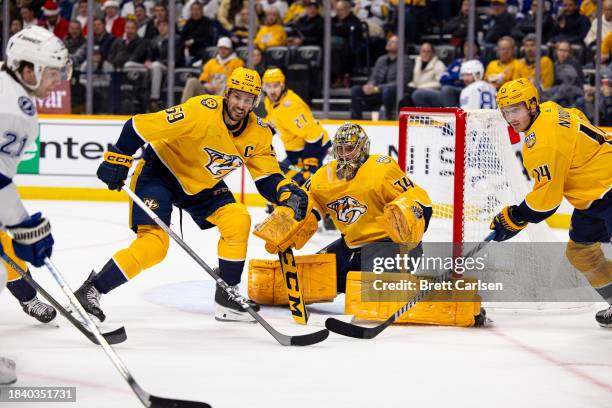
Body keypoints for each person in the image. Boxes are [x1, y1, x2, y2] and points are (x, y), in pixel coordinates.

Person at [73, 67, 310, 323]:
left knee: (237, 219)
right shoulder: (200, 110)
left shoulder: (259, 134)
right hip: (160, 172)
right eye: (237, 97)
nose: (241, 105)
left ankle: (228, 295)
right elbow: (138, 125)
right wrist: (118, 155)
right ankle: (92, 290)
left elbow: (267, 177)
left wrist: (285, 191)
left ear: (255, 102)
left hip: (202, 186)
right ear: (227, 93)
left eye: (248, 99)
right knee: (155, 245)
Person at [250, 123, 485, 326]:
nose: (343, 155)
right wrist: (284, 223)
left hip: (392, 246)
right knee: (306, 279)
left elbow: (420, 198)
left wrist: (407, 211)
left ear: (362, 148)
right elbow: (305, 204)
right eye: (339, 149)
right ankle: (263, 288)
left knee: (370, 295)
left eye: (349, 149)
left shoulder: (381, 169)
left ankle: (461, 305)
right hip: (350, 246)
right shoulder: (324, 176)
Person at [492, 78, 612, 327]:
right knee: (580, 252)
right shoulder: (550, 109)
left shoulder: (541, 141)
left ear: (532, 105)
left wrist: (516, 216)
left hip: (608, 187)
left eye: (516, 109)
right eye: (506, 111)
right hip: (592, 197)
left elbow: (547, 202)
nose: (511, 117)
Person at [0, 25, 71, 383]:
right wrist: (24, 226)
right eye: (52, 72)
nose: (57, 81)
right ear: (27, 69)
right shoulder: (15, 108)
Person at [263, 68, 330, 186]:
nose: (272, 91)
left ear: (282, 85)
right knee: (276, 183)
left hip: (314, 148)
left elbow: (314, 134)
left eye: (275, 86)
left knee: (305, 185)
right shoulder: (269, 101)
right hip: (295, 153)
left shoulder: (292, 106)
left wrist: (310, 162)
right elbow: (274, 122)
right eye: (269, 86)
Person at [350, 35, 410, 120]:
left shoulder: (405, 60)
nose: (389, 43)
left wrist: (377, 88)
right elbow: (374, 77)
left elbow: (401, 82)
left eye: (393, 42)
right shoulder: (381, 59)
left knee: (387, 91)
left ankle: (387, 117)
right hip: (377, 92)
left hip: (393, 93)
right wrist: (369, 85)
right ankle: (356, 120)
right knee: (356, 90)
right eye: (389, 40)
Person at [181, 36, 244, 102]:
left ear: (230, 49)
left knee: (225, 87)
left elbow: (236, 83)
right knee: (192, 81)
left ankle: (218, 110)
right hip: (208, 92)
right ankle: (183, 109)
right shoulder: (211, 62)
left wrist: (221, 86)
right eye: (221, 48)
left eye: (225, 48)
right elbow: (202, 79)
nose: (223, 50)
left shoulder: (237, 62)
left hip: (225, 95)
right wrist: (207, 85)